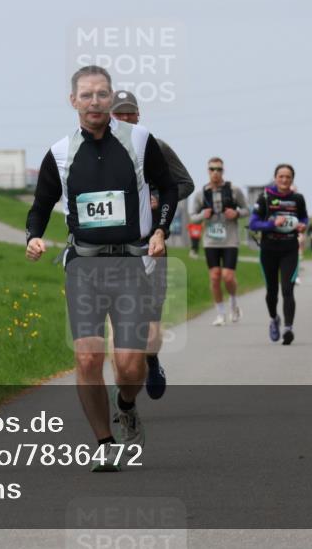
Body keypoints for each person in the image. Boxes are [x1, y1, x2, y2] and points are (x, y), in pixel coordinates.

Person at [25, 66, 177, 472]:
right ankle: (104, 443)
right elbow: (40, 205)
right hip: (85, 267)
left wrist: (160, 230)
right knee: (88, 358)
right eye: (87, 95)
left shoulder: (140, 141)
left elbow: (170, 186)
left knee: (130, 364)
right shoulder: (59, 153)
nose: (95, 102)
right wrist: (33, 237)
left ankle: (125, 405)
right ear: (73, 101)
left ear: (111, 99)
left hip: (131, 262)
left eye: (102, 95)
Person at [110, 90, 194, 401]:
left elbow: (184, 183)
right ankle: (125, 387)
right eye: (120, 113)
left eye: (131, 112)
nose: (126, 118)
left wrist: (157, 201)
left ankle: (152, 360)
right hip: (114, 249)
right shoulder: (101, 152)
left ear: (139, 115)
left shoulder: (156, 147)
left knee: (151, 323)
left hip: (153, 245)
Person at [248, 164, 308, 345]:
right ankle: (274, 319)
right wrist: (273, 223)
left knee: (288, 289)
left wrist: (303, 225)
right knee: (271, 292)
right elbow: (253, 224)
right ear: (275, 178)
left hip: (289, 248)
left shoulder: (297, 198)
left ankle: (288, 329)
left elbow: (304, 217)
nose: (284, 180)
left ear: (292, 179)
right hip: (269, 249)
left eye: (288, 177)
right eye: (281, 176)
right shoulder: (265, 197)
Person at [189, 159, 250, 326]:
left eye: (219, 169)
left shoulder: (234, 190)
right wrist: (203, 215)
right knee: (215, 277)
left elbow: (247, 210)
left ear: (223, 171)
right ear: (208, 171)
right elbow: (192, 215)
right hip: (211, 241)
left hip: (230, 239)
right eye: (212, 169)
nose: (215, 172)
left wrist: (236, 213)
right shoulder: (201, 193)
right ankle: (220, 313)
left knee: (228, 276)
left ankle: (234, 303)